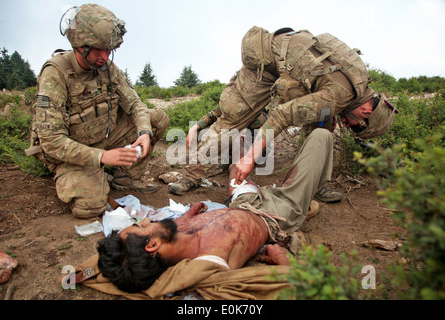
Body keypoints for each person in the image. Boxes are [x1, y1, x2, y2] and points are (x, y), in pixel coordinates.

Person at [170, 26, 397, 202]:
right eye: (355, 124)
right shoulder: (341, 94)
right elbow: (280, 115)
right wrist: (249, 159)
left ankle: (315, 184)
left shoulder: (359, 80)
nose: (348, 125)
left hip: (291, 66)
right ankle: (191, 175)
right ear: (367, 110)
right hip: (266, 64)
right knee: (234, 118)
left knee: (323, 126)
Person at [97, 127, 335, 293]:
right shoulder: (212, 261)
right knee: (321, 136)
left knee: (240, 142)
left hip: (242, 201)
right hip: (275, 213)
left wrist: (190, 214)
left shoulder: (170, 235)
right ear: (152, 246)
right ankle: (306, 195)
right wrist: (281, 258)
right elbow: (298, 285)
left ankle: (286, 187)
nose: (145, 221)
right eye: (140, 225)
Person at [26, 4, 169, 219]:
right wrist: (102, 157)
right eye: (98, 49)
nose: (105, 55)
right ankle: (80, 176)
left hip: (104, 139)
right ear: (80, 45)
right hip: (72, 153)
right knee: (91, 207)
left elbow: (135, 105)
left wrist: (144, 133)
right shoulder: (56, 73)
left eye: (109, 49)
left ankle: (124, 177)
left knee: (156, 119)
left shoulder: (107, 68)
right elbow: (52, 141)